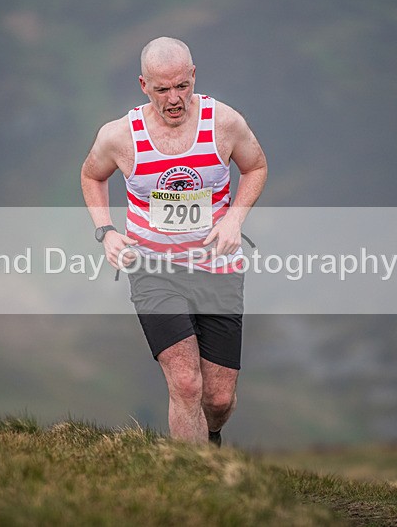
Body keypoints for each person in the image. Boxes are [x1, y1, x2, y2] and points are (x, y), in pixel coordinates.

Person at [81, 37, 267, 445]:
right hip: (153, 270)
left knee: (218, 398)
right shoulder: (120, 136)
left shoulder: (224, 123)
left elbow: (255, 167)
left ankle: (211, 436)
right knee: (185, 384)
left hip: (216, 268)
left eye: (182, 86)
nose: (174, 99)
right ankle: (193, 484)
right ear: (143, 85)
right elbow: (92, 175)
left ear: (194, 76)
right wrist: (106, 231)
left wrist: (234, 220)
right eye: (163, 89)